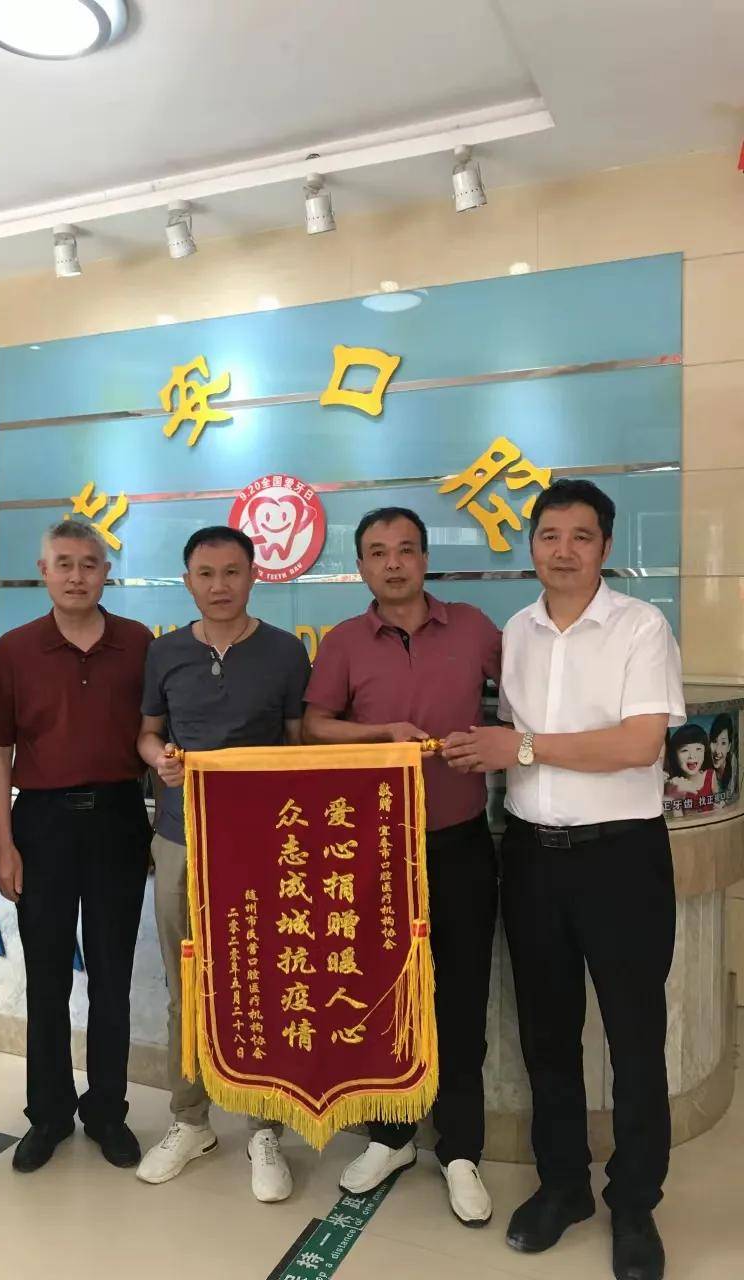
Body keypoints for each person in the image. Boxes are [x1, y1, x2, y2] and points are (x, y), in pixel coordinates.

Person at [443, 479, 684, 1280]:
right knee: (547, 1034)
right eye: (549, 535)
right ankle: (564, 1186)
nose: (564, 550)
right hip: (533, 857)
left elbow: (640, 744)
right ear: (532, 546)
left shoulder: (641, 626)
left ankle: (636, 1204)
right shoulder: (517, 630)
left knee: (634, 1037)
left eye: (582, 536)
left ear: (606, 547)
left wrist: (523, 747)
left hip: (622, 857)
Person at [303, 506, 502, 1227]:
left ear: (424, 559)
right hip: (375, 852)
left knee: (461, 997)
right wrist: (380, 734)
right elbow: (314, 728)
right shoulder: (343, 642)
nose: (394, 563)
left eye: (407, 549)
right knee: (382, 998)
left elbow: (530, 699)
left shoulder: (475, 628)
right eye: (378, 552)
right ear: (361, 566)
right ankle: (390, 1138)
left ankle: (461, 1149)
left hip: (460, 842)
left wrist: (498, 738)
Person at [135, 525, 311, 1202]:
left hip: (261, 844)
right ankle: (190, 1120)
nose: (219, 586)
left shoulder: (284, 652)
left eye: (232, 572)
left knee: (260, 981)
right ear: (188, 582)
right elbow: (147, 734)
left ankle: (265, 1128)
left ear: (253, 576)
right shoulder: (165, 653)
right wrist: (160, 759)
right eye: (205, 574)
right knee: (188, 984)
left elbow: (298, 744)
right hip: (179, 838)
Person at [0, 520, 152, 1173]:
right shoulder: (16, 649)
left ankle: (107, 1110)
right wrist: (4, 845)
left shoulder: (137, 643)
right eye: (64, 563)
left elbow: (154, 732)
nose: (77, 575)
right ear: (43, 571)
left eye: (89, 563)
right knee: (48, 979)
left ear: (106, 571)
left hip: (117, 819)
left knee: (112, 977)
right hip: (42, 824)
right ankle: (48, 1113)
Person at [663, 724, 714, 815]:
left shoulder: (710, 775)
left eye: (698, 749)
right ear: (674, 755)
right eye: (685, 750)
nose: (692, 756)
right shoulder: (673, 784)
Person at [708, 712, 737, 800]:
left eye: (723, 743)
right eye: (714, 741)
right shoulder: (704, 766)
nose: (717, 751)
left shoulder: (733, 764)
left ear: (729, 747)